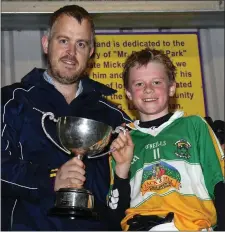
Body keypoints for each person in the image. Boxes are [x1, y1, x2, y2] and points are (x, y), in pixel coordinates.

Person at [1, 5, 131, 231]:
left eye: (80, 44)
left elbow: (133, 185)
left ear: (90, 52)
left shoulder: (113, 116)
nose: (71, 52)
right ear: (46, 44)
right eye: (63, 41)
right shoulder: (12, 102)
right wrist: (50, 179)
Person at [108, 48, 225, 231]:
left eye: (156, 82)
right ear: (128, 94)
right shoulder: (123, 142)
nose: (148, 89)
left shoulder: (194, 126)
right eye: (139, 84)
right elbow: (115, 215)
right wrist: (122, 171)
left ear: (171, 87)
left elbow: (219, 182)